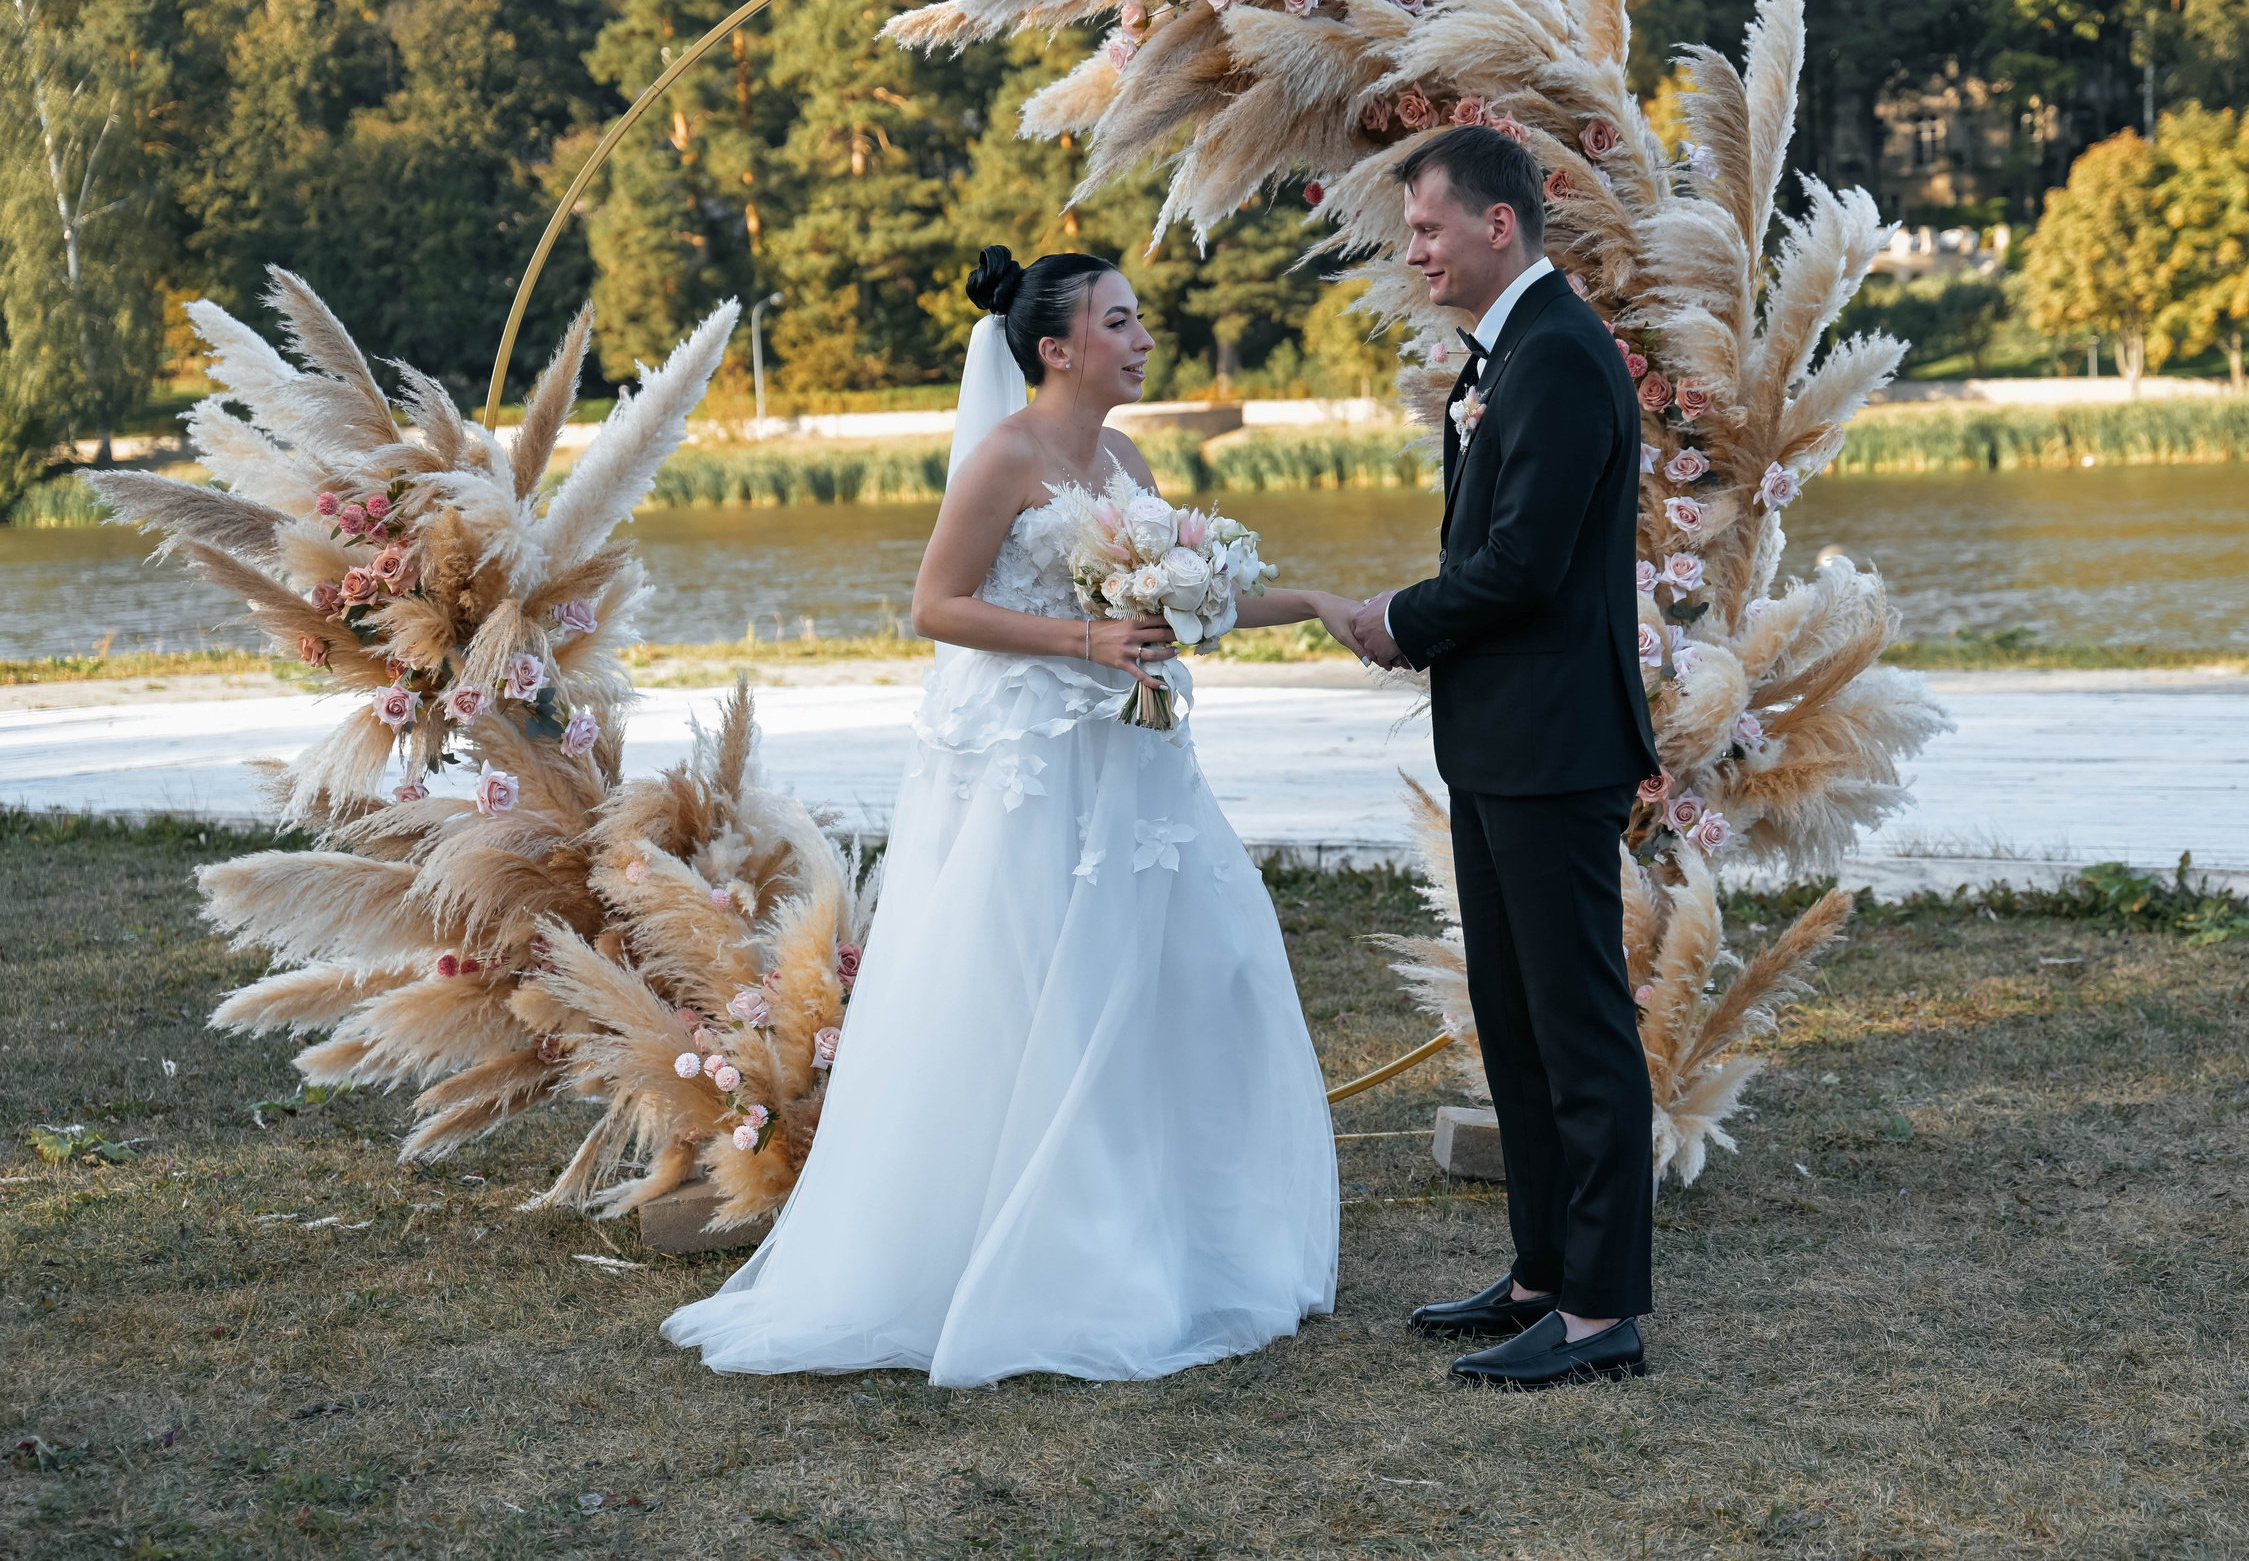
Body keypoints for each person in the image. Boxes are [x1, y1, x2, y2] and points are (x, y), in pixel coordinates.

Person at [662, 247, 1358, 1386]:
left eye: (1141, 320)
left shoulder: (1126, 455)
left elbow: (1192, 594)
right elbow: (936, 605)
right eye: (1121, 322)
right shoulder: (1004, 455)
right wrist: (1089, 640)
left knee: (1188, 974)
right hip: (1036, 770)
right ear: (1056, 348)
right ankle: (1022, 1253)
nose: (1142, 339)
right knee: (1039, 989)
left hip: (1136, 768)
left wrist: (1317, 604)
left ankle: (1172, 1240)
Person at [1341, 126, 1661, 1388]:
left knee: (1578, 1029)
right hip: (1501, 741)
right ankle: (1540, 1273)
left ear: (1497, 225)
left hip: (1553, 743)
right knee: (1513, 1021)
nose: (1412, 251)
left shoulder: (1562, 361)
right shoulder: (1512, 355)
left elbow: (1524, 564)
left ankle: (1600, 1313)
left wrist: (1400, 620)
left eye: (1426, 228)